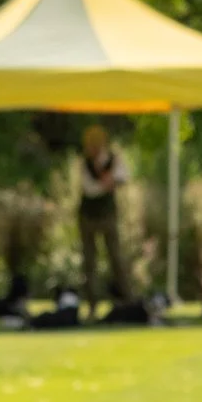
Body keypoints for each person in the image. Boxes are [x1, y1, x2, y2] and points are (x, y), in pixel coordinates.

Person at [78, 123, 128, 311]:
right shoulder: (84, 164)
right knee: (89, 261)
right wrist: (107, 184)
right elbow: (89, 190)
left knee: (116, 257)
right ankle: (92, 303)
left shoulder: (114, 159)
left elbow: (123, 176)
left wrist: (110, 181)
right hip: (87, 216)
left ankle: (126, 300)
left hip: (108, 215)